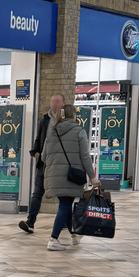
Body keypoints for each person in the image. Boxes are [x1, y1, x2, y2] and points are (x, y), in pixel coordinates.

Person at [42, 103, 99, 251]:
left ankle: (74, 234)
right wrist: (92, 177)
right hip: (71, 176)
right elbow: (85, 157)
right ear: (73, 115)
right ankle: (53, 239)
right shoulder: (79, 131)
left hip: (53, 176)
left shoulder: (51, 132)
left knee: (65, 205)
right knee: (65, 205)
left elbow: (43, 157)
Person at [20, 93, 65, 234]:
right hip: (43, 163)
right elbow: (39, 137)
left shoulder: (66, 120)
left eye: (57, 101)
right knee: (37, 192)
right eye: (53, 102)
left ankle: (65, 221)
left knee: (63, 194)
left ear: (63, 103)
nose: (54, 104)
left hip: (59, 164)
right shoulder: (45, 119)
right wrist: (35, 152)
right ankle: (30, 222)